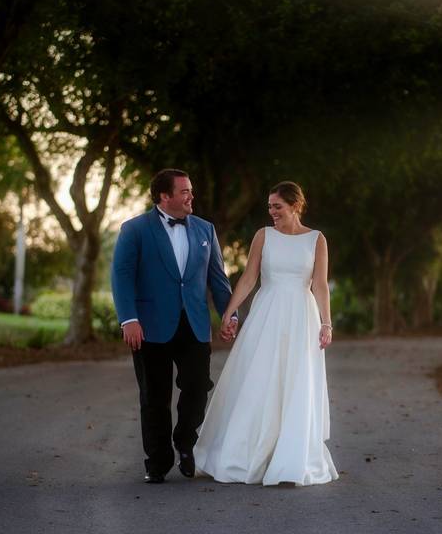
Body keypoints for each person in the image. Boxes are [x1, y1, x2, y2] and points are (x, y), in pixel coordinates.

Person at [193, 181, 339, 486]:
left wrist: (326, 323)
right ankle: (247, 454)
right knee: (260, 379)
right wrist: (230, 312)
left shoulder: (317, 239)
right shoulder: (263, 236)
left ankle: (290, 458)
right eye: (269, 207)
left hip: (302, 316)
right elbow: (249, 278)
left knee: (295, 382)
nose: (272, 212)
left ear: (295, 205)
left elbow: (320, 285)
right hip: (267, 314)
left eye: (278, 207)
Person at [111, 168, 234, 484]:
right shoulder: (134, 230)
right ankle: (157, 460)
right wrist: (129, 319)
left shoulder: (205, 230)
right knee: (154, 396)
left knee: (196, 386)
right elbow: (121, 277)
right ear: (164, 196)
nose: (191, 196)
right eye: (185, 192)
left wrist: (230, 315)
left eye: (190, 191)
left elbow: (218, 280)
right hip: (148, 327)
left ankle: (186, 443)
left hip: (194, 324)